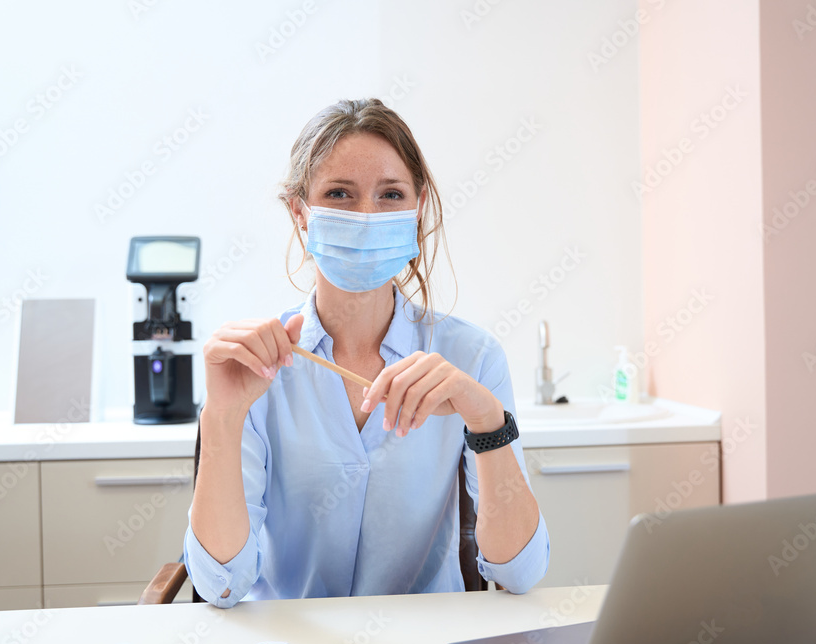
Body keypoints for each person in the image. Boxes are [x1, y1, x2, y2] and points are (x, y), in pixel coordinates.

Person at [183, 98, 549, 606]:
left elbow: (520, 573)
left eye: (391, 194)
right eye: (339, 194)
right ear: (299, 212)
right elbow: (220, 585)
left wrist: (488, 422)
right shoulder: (256, 366)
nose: (366, 216)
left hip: (424, 641)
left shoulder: (472, 356)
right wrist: (222, 415)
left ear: (417, 209)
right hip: (293, 642)